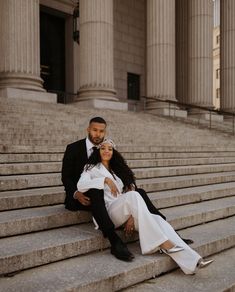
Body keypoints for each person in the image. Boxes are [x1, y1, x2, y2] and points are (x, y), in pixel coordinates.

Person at [76, 138, 213, 274]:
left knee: (158, 221)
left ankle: (193, 261)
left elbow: (130, 190)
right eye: (103, 148)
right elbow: (81, 186)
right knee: (135, 195)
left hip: (127, 210)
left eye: (110, 149)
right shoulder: (91, 168)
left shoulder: (117, 170)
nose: (107, 151)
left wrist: (131, 217)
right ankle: (164, 244)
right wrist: (104, 180)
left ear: (114, 152)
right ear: (98, 150)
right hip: (109, 212)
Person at [62, 117, 167, 262]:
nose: (98, 134)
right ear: (88, 129)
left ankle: (165, 227)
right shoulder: (73, 148)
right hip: (82, 196)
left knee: (139, 192)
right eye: (94, 130)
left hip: (108, 199)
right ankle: (114, 240)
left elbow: (122, 172)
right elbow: (66, 177)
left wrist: (131, 198)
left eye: (101, 131)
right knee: (95, 189)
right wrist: (76, 193)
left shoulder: (106, 150)